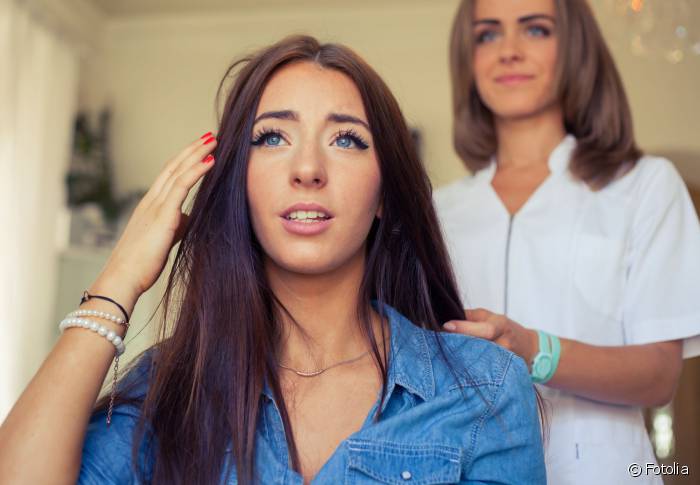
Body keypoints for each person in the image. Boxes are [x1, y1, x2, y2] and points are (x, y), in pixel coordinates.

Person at [0, 36, 546, 484]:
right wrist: (119, 278)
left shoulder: (483, 388)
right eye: (273, 136)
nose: (307, 168)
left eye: (347, 140)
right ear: (239, 181)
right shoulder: (172, 392)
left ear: (385, 195)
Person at [435, 0, 700, 484]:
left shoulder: (643, 187)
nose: (509, 51)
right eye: (488, 34)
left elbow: (660, 375)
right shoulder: (437, 210)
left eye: (535, 30)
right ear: (467, 58)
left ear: (575, 47)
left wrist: (533, 347)